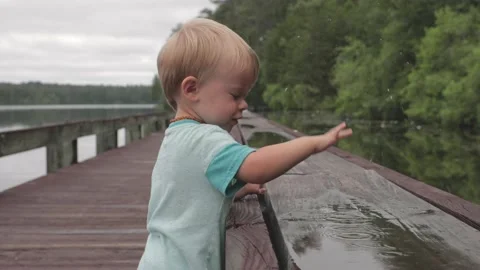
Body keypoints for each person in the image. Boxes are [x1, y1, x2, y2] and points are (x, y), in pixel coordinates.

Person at [137, 18, 352, 270]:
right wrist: (310, 144)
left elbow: (192, 190)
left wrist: (238, 188)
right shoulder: (204, 138)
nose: (244, 105)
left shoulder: (177, 136)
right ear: (192, 89)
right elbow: (257, 166)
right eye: (235, 95)